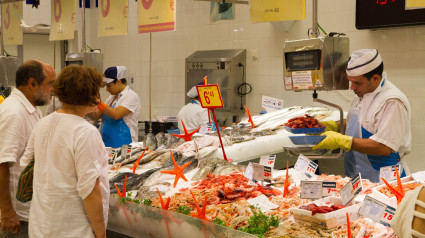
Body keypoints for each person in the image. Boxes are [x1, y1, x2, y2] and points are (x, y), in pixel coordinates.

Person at [21, 65, 109, 237]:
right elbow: (90, 190)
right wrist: (101, 233)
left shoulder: (43, 123)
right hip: (73, 230)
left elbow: (26, 164)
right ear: (88, 94)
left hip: (41, 226)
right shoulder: (85, 131)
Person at [313, 49, 411, 183]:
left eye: (357, 83)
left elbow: (384, 147)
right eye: (350, 81)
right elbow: (358, 123)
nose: (352, 87)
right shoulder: (363, 93)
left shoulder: (392, 101)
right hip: (357, 175)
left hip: (384, 180)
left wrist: (343, 141)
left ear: (375, 78)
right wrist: (332, 126)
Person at [0, 60, 55, 237]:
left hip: (29, 211)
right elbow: (1, 164)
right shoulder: (14, 113)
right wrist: (7, 212)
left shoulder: (30, 108)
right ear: (32, 83)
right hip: (16, 216)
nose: (52, 90)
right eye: (50, 84)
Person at [92, 66, 141, 148]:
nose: (107, 89)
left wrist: (98, 103)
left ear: (118, 81)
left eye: (109, 86)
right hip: (107, 143)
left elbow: (116, 114)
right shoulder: (111, 98)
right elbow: (96, 115)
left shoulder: (131, 96)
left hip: (124, 144)